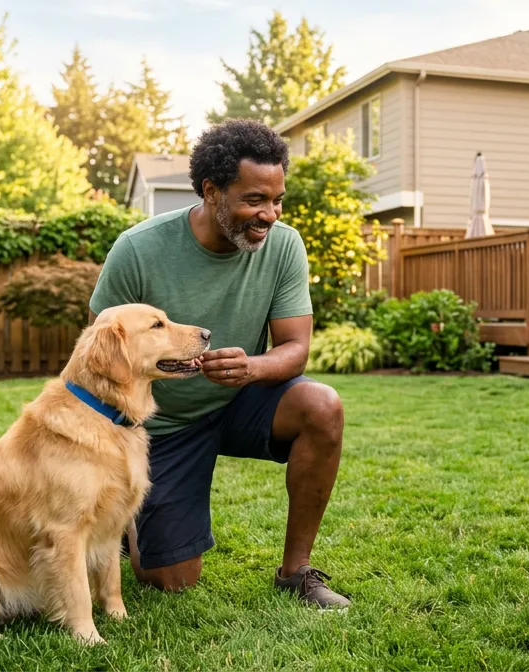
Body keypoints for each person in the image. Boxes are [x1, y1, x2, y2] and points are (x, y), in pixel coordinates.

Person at [89, 119, 349, 608]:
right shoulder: (139, 249)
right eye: (255, 200)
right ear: (211, 191)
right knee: (171, 579)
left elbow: (295, 347)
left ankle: (296, 572)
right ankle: (133, 525)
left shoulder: (284, 245)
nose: (269, 215)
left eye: (278, 200)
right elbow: (98, 360)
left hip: (240, 401)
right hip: (163, 425)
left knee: (322, 405)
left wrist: (252, 368)